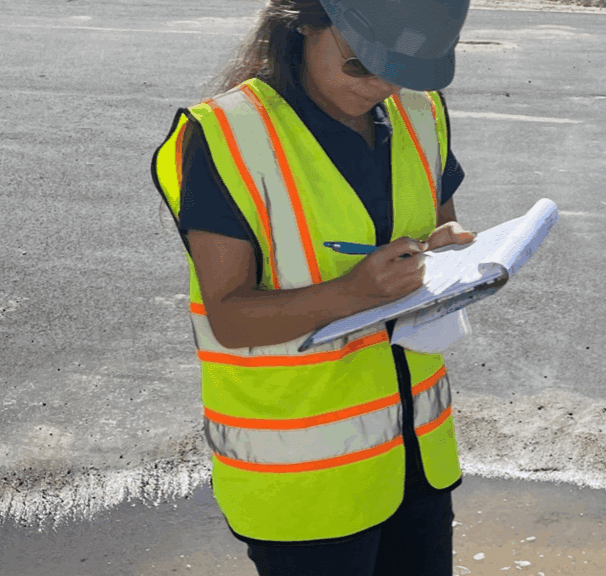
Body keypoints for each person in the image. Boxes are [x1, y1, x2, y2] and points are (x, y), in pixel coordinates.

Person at [151, 0, 474, 574]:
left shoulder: (419, 112)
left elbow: (437, 226)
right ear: (305, 22)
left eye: (404, 70)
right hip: (302, 484)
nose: (381, 87)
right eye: (360, 65)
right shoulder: (227, 136)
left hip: (415, 459)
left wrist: (449, 249)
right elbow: (229, 318)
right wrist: (353, 293)